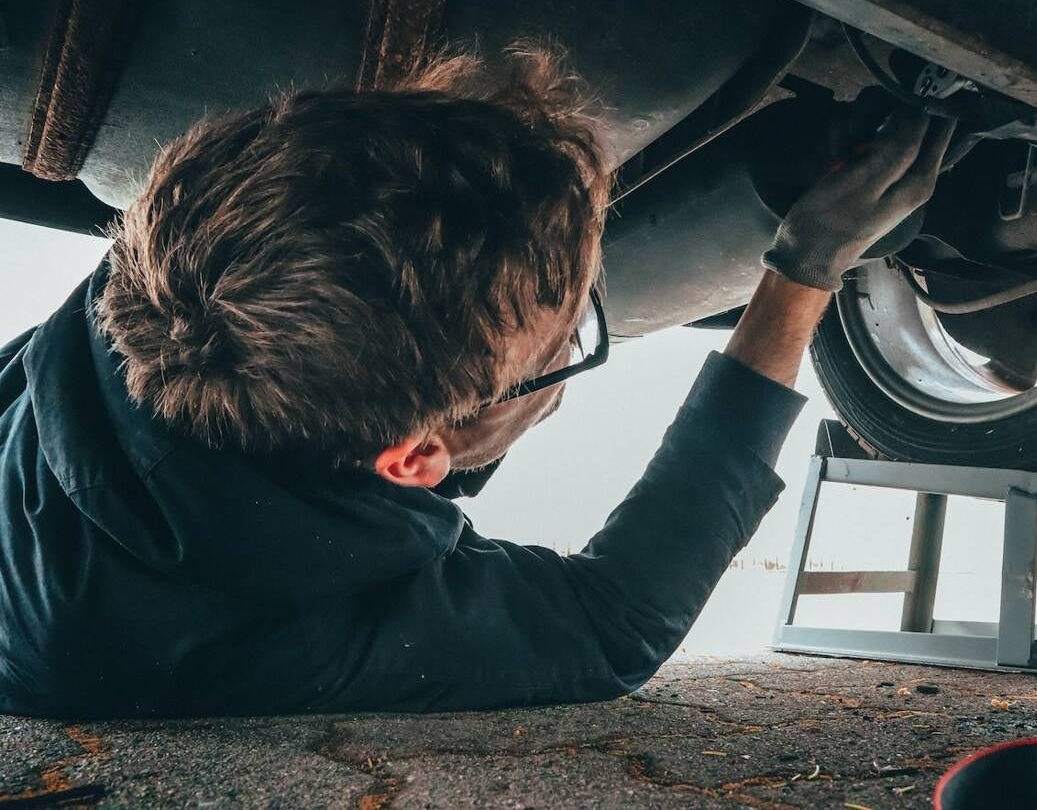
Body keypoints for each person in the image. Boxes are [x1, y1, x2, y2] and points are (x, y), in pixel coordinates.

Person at [0, 51, 953, 718]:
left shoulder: (183, 270)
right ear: (414, 457)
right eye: (566, 342)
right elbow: (615, 623)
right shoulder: (244, 635)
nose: (572, 347)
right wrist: (802, 271)